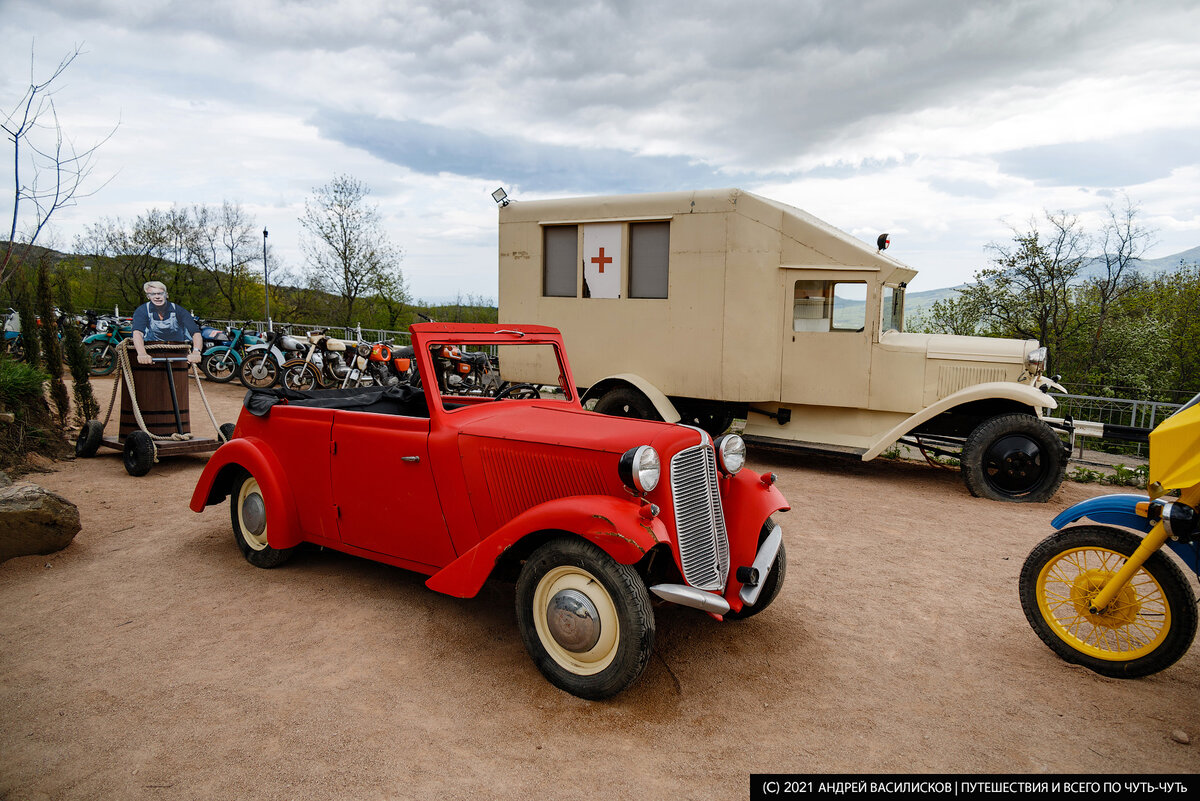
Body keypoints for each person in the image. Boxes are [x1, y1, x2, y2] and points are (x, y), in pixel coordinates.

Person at [130, 281, 203, 365]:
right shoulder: (142, 311)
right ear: (148, 297)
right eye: (153, 294)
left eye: (160, 293)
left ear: (166, 295)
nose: (157, 297)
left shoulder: (179, 310)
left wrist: (196, 352)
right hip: (153, 350)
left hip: (178, 350)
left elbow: (195, 332)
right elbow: (137, 333)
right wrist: (142, 353)